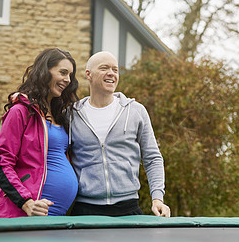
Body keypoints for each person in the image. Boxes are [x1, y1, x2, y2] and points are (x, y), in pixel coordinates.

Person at [69, 51, 170, 217]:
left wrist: (158, 197)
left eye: (115, 70)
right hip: (85, 209)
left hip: (128, 208)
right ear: (89, 74)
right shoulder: (71, 115)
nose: (111, 73)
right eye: (104, 68)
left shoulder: (135, 111)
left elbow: (152, 158)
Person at [0, 48, 79, 217]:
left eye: (70, 75)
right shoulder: (20, 111)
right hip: (25, 213)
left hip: (55, 216)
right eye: (62, 72)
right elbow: (3, 164)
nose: (67, 80)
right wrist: (26, 202)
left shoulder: (60, 116)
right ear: (44, 72)